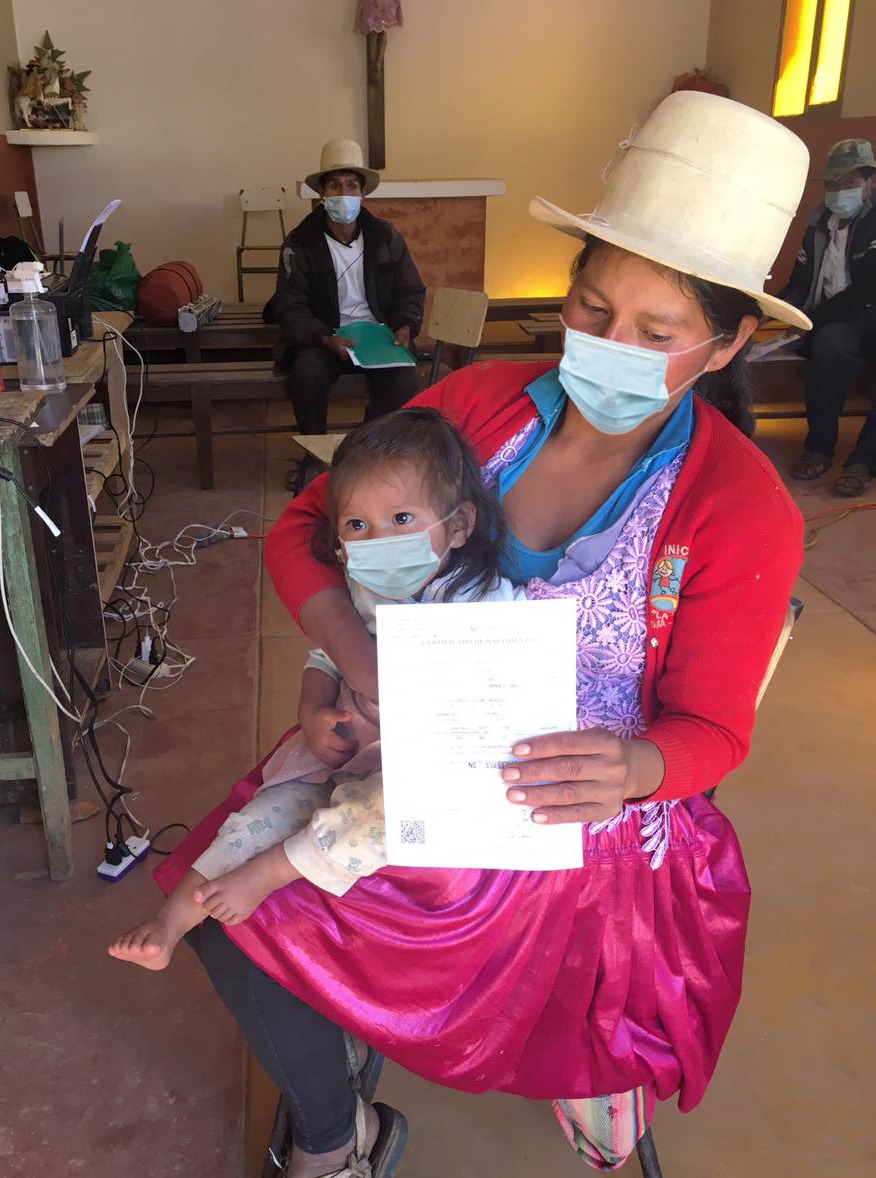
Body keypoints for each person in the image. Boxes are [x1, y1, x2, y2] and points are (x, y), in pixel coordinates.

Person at [153, 93, 808, 1177]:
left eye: (656, 335)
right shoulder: (479, 406)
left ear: (730, 340)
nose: (609, 347)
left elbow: (713, 732)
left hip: (575, 814)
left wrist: (636, 766)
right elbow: (305, 531)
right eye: (591, 307)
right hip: (398, 746)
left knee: (339, 899)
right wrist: (349, 667)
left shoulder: (738, 507)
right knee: (226, 903)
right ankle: (339, 1134)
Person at [108, 408, 523, 971]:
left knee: (387, 813)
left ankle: (274, 870)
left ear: (459, 525)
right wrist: (311, 708)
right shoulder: (363, 586)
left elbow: (509, 684)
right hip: (348, 745)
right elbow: (327, 654)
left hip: (424, 768)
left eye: (402, 518)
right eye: (358, 526)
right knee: (263, 811)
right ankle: (171, 923)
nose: (380, 541)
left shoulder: (487, 600)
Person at [268, 138, 425, 490]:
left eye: (352, 186)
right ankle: (314, 457)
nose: (344, 194)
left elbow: (410, 291)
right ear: (321, 194)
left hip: (376, 336)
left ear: (363, 194)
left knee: (404, 380)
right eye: (335, 186)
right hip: (324, 336)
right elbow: (289, 306)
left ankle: (362, 454)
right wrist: (323, 337)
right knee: (306, 375)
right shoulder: (300, 242)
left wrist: (405, 325)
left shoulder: (385, 237)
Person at [781, 138, 876, 496]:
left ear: (870, 182)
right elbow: (799, 282)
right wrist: (767, 312)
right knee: (830, 345)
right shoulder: (819, 224)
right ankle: (819, 449)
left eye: (849, 182)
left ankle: (863, 461)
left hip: (866, 313)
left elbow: (868, 289)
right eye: (833, 184)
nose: (840, 192)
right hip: (836, 322)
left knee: (829, 335)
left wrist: (813, 320)